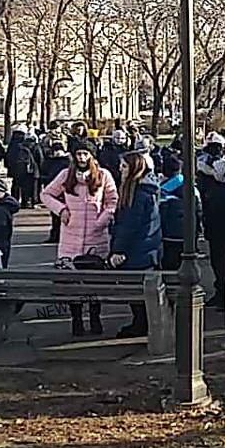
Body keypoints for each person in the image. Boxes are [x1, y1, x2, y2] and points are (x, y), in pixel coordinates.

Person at [40, 140, 119, 336]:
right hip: (70, 238)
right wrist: (61, 210)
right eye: (78, 154)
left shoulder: (103, 175)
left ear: (92, 155)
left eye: (85, 154)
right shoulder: (66, 175)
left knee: (95, 282)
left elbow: (113, 201)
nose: (81, 158)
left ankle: (95, 317)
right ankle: (76, 319)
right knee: (72, 283)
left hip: (96, 238)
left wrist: (102, 220)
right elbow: (46, 194)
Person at [108, 151, 162, 338]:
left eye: (124, 166)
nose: (120, 170)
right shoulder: (143, 191)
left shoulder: (138, 194)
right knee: (139, 292)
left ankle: (141, 326)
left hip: (138, 251)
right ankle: (141, 324)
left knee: (137, 292)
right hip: (145, 248)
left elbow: (129, 225)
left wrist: (118, 249)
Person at [202, 158, 225, 310]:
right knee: (219, 265)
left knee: (223, 265)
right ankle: (221, 293)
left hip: (224, 233)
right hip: (220, 233)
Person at [5, 126, 42, 208]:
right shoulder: (34, 145)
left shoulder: (15, 144)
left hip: (17, 168)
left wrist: (9, 167)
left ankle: (14, 201)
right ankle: (28, 202)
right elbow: (40, 158)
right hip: (30, 169)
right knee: (29, 186)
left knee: (16, 185)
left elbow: (8, 156)